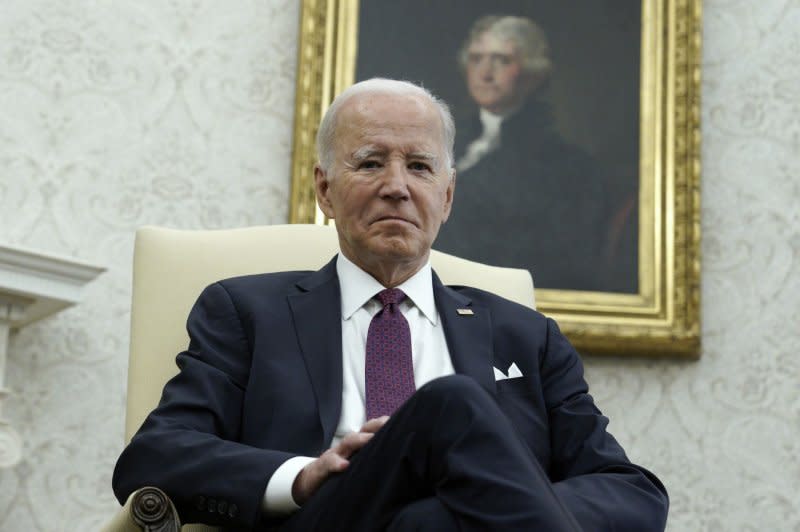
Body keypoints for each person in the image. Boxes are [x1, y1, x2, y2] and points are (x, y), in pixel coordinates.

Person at [113, 78, 668, 531]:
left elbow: (631, 491)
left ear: (446, 197)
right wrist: (304, 477)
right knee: (448, 404)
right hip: (328, 521)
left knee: (428, 522)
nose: (397, 187)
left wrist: (481, 503)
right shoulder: (245, 312)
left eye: (420, 167)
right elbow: (155, 456)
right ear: (325, 190)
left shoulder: (526, 336)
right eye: (372, 162)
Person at [434, 15, 616, 292]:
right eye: (476, 58)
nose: (485, 72)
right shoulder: (442, 141)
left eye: (502, 60)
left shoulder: (568, 168)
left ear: (533, 74)